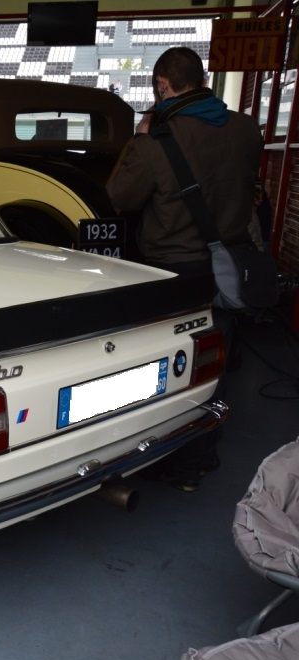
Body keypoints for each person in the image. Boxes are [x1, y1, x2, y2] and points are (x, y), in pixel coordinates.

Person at [106, 46, 263, 491]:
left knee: (169, 368)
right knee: (214, 363)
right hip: (229, 268)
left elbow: (120, 196)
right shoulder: (247, 129)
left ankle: (166, 458)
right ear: (203, 81)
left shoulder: (157, 139)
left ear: (162, 86)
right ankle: (198, 459)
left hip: (173, 273)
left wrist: (139, 138)